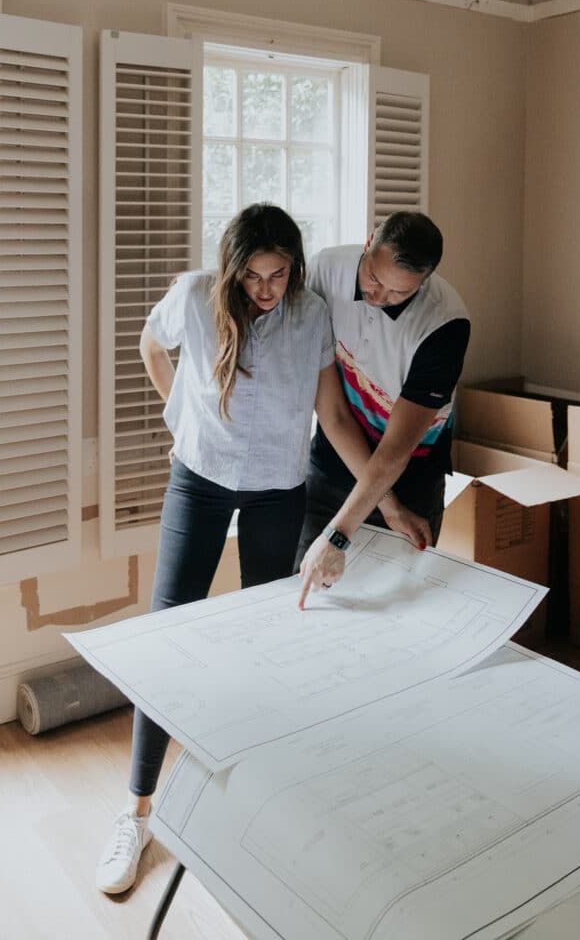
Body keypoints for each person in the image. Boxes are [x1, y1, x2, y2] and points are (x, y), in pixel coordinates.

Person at [95, 204, 428, 896]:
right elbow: (149, 345)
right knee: (167, 637)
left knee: (262, 639)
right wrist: (177, 417)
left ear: (295, 271)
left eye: (278, 275)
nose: (266, 289)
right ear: (231, 267)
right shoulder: (192, 295)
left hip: (279, 488)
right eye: (252, 275)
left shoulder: (310, 317)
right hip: (200, 480)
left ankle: (247, 798)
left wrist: (386, 501)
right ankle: (136, 811)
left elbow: (332, 416)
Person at [296, 211, 471, 608]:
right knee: (309, 591)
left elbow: (395, 450)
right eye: (374, 279)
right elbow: (333, 411)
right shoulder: (325, 270)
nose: (378, 298)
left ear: (424, 283)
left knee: (397, 607)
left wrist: (358, 525)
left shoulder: (446, 324)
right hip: (333, 457)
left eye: (398, 294)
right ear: (369, 241)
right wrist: (370, 514)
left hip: (411, 473)